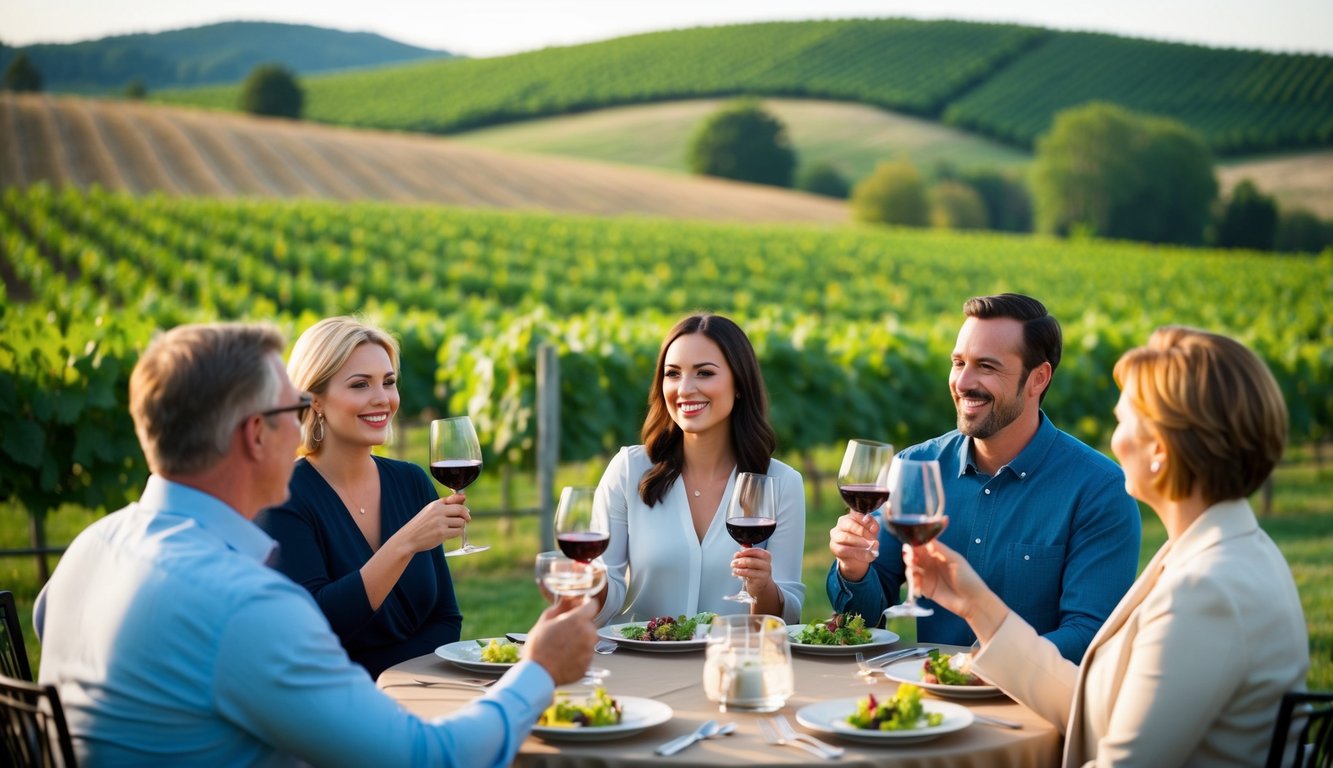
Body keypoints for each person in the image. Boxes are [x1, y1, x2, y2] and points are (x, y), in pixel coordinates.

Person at [34, 322, 598, 767]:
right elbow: (429, 760)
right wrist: (540, 668)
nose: (302, 422)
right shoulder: (245, 604)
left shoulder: (91, 547)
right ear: (257, 434)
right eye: (293, 409)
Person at [909, 326, 1309, 765]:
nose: (1115, 441)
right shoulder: (1230, 551)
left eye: (1122, 421)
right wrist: (976, 605)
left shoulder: (1205, 591)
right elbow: (1103, 710)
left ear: (1159, 446)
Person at [827, 293, 1141, 661]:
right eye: (958, 362)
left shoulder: (1100, 492)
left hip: (1032, 709)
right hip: (929, 702)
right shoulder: (915, 468)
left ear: (1037, 379)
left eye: (987, 367)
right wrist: (854, 568)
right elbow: (862, 619)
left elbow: (1090, 637)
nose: (963, 382)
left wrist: (985, 665)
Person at [255, 316, 466, 678]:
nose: (382, 398)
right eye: (360, 385)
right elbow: (318, 626)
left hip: (422, 692)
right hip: (333, 711)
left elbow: (447, 621)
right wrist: (405, 543)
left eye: (388, 382)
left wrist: (398, 683)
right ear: (315, 400)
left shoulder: (412, 482)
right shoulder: (284, 497)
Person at [591, 313, 806, 625]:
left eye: (704, 373)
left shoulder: (782, 484)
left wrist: (763, 588)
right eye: (673, 374)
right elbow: (605, 598)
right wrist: (586, 582)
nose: (685, 389)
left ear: (739, 385)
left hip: (734, 662)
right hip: (641, 663)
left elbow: (785, 618)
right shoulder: (628, 470)